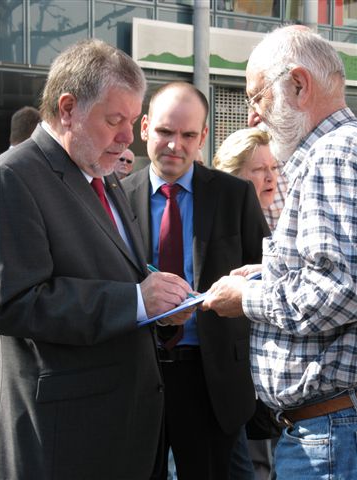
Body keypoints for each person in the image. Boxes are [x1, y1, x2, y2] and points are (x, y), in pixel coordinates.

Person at [0, 39, 194, 480]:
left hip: (121, 429)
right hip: (67, 438)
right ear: (67, 108)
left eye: (133, 120)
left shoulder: (99, 173)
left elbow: (118, 269)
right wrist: (136, 302)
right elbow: (15, 302)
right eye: (114, 120)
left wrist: (160, 304)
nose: (128, 138)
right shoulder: (12, 177)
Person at [202, 25, 357, 479]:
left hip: (330, 431)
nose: (252, 116)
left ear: (298, 85)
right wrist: (270, 274)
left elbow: (339, 289)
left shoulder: (331, 156)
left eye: (256, 97)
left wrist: (247, 300)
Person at [122, 81, 269, 480]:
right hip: (139, 375)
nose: (175, 145)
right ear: (145, 127)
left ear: (204, 136)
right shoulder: (116, 196)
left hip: (212, 379)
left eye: (188, 135)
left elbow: (266, 272)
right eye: (166, 132)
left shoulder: (234, 195)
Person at [213, 127, 282, 480]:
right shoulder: (219, 227)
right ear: (233, 174)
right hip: (235, 384)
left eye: (273, 168)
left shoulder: (284, 223)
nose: (270, 177)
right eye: (258, 170)